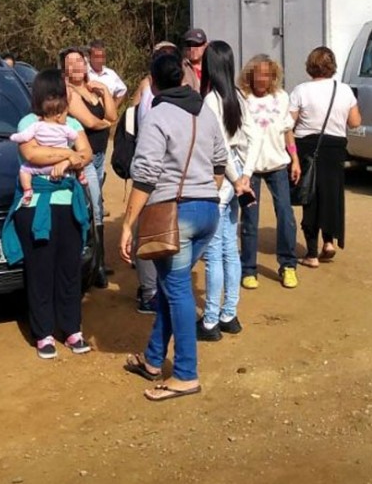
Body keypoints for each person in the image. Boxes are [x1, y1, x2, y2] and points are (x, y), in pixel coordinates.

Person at [120, 50, 226, 401]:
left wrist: (128, 224)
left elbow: (145, 175)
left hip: (174, 214)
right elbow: (220, 161)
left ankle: (185, 374)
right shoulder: (205, 112)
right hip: (208, 210)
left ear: (152, 83)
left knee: (177, 290)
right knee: (172, 286)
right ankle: (153, 359)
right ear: (182, 78)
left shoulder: (157, 115)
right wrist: (205, 190)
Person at [0, 69, 94, 359]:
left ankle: (72, 328)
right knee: (40, 269)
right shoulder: (28, 122)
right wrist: (69, 156)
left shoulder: (72, 122)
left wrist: (70, 161)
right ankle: (43, 332)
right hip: (36, 206)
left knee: (69, 269)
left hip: (68, 205)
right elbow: (32, 155)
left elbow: (87, 153)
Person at [198, 41, 260, 341]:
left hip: (220, 181)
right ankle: (229, 314)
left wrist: (237, 180)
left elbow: (219, 147)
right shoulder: (238, 97)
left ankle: (211, 320)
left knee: (214, 254)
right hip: (235, 181)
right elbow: (255, 138)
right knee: (229, 250)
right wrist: (246, 175)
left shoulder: (211, 100)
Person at [289, 47, 362, 267]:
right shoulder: (344, 90)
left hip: (307, 147)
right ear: (333, 66)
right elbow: (355, 122)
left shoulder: (301, 90)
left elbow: (288, 123)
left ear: (310, 65)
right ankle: (329, 242)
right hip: (335, 148)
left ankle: (311, 254)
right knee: (331, 196)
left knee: (309, 196)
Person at [239, 54, 301, 290]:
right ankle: (248, 269)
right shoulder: (242, 98)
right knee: (250, 218)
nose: (263, 79)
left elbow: (287, 131)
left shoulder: (282, 97)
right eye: (259, 74)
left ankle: (288, 265)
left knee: (285, 214)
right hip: (250, 169)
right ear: (250, 75)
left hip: (278, 166)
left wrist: (295, 159)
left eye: (267, 75)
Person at [128, 40, 178, 314]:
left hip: (158, 172)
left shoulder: (152, 92)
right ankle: (152, 291)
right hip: (161, 171)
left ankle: (153, 290)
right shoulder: (152, 92)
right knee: (153, 230)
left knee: (152, 230)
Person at [61, 46, 117, 288]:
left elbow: (112, 114)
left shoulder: (93, 87)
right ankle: (95, 266)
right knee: (93, 206)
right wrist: (108, 122)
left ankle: (98, 261)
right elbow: (90, 122)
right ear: (64, 68)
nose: (76, 66)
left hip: (99, 156)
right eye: (70, 62)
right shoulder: (68, 92)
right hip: (83, 159)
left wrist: (104, 91)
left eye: (80, 61)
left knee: (96, 205)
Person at [9, 99, 88, 205]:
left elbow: (24, 136)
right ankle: (81, 176)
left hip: (42, 167)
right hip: (61, 165)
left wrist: (13, 137)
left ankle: (27, 190)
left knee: (24, 169)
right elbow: (75, 137)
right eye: (66, 115)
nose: (67, 118)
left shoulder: (36, 125)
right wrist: (70, 152)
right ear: (58, 115)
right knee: (77, 157)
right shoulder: (65, 128)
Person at [87, 39, 128, 107]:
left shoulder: (111, 74)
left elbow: (122, 91)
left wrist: (113, 107)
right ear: (89, 57)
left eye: (102, 56)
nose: (100, 60)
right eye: (97, 57)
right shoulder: (84, 72)